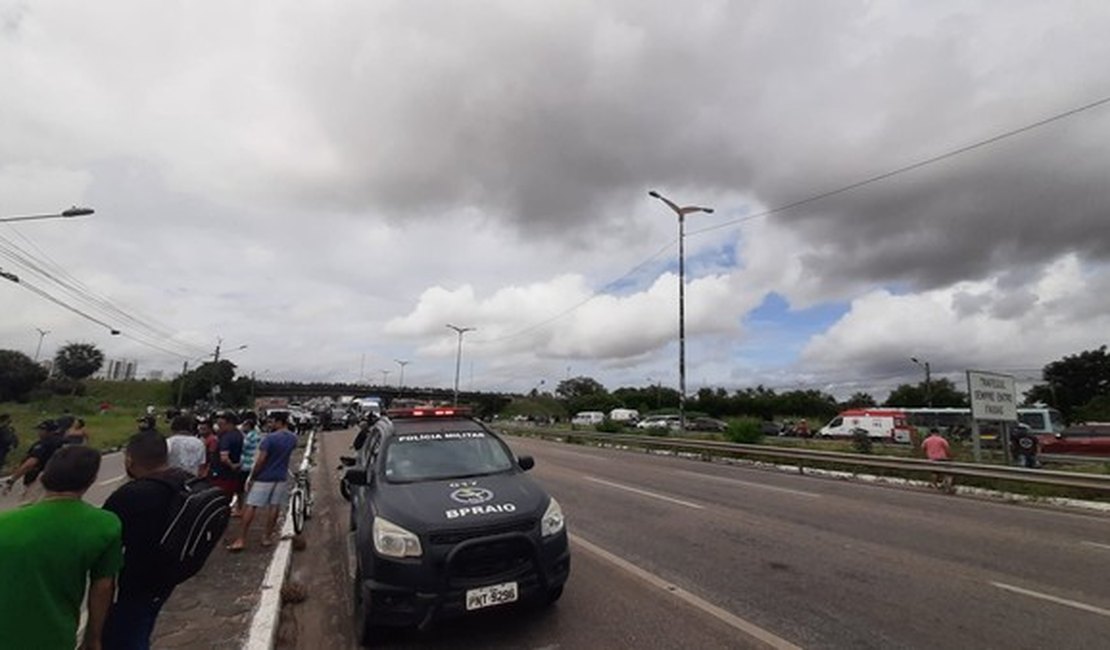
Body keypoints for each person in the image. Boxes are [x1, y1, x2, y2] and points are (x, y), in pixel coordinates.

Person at [0, 445, 123, 650]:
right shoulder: (105, 524)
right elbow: (102, 588)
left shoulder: (6, 521)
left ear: (45, 476)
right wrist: (93, 639)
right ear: (91, 480)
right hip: (55, 635)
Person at [101, 431, 193, 649]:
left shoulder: (130, 495)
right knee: (141, 627)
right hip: (169, 572)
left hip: (138, 579)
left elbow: (101, 537)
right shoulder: (183, 480)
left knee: (128, 637)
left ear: (130, 460)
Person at [227, 412, 298, 551]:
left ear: (280, 422)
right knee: (274, 506)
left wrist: (253, 477)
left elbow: (260, 460)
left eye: (272, 422)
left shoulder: (269, 439)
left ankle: (241, 539)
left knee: (251, 506)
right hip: (281, 476)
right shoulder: (293, 438)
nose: (269, 424)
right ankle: (267, 537)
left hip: (264, 477)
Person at [3, 420, 66, 503]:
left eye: (41, 430)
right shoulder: (64, 442)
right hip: (59, 480)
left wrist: (13, 479)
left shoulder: (44, 444)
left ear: (47, 431)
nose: (38, 433)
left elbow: (31, 463)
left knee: (27, 506)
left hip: (39, 477)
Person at [210, 411, 243, 498]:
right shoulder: (239, 434)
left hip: (221, 474)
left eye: (221, 424)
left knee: (219, 497)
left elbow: (224, 457)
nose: (219, 426)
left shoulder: (226, 437)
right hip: (233, 475)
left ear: (229, 423)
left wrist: (232, 465)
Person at [235, 413, 263, 515]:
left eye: (244, 426)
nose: (242, 427)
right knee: (248, 487)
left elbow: (242, 447)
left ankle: (241, 509)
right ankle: (246, 508)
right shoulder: (256, 434)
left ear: (248, 426)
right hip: (252, 463)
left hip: (246, 464)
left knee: (240, 488)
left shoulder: (249, 436)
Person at [922, 427, 954, 493]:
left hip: (932, 458)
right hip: (942, 458)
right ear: (938, 433)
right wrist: (949, 456)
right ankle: (945, 485)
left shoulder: (927, 440)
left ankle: (934, 484)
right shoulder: (942, 440)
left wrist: (927, 453)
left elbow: (923, 447)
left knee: (934, 472)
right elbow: (947, 448)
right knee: (946, 472)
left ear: (931, 433)